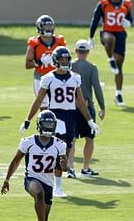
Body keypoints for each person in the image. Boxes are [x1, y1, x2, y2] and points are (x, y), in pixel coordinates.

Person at [20, 46, 100, 198]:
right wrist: (27, 120)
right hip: (56, 116)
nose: (64, 62)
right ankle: (57, 186)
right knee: (59, 151)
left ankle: (55, 182)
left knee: (68, 149)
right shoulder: (48, 78)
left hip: (71, 116)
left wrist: (90, 121)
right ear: (56, 61)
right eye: (62, 59)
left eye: (66, 59)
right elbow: (38, 100)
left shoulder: (75, 77)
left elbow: (81, 101)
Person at [2, 110, 68, 221]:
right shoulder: (28, 142)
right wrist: (7, 179)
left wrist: (64, 166)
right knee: (38, 193)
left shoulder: (59, 145)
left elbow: (64, 168)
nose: (48, 127)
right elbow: (16, 161)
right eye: (46, 124)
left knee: (43, 214)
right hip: (31, 179)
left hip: (48, 183)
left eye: (51, 124)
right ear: (39, 125)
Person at [88, 0, 132, 106]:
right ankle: (110, 59)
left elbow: (131, 20)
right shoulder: (103, 3)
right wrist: (90, 37)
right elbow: (95, 20)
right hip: (107, 33)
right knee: (110, 39)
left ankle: (118, 94)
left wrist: (127, 22)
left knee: (119, 68)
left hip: (121, 36)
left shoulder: (126, 3)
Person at [68, 39, 105, 177]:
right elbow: (97, 88)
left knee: (71, 139)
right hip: (88, 107)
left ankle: (71, 168)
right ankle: (85, 168)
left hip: (71, 107)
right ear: (88, 52)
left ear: (76, 51)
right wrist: (102, 107)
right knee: (89, 138)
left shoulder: (69, 66)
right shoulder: (92, 67)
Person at [25, 15, 66, 109]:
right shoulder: (34, 43)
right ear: (40, 27)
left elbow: (66, 61)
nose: (48, 29)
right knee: (44, 107)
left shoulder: (59, 42)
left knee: (59, 106)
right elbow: (27, 64)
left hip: (57, 78)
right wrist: (40, 62)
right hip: (40, 78)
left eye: (50, 26)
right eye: (46, 27)